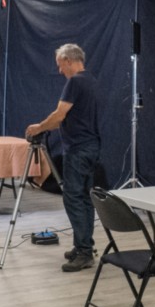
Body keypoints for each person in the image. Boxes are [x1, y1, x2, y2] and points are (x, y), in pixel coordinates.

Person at [26, 43, 101, 272]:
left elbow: (59, 115)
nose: (60, 70)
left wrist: (38, 128)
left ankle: (84, 252)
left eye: (60, 65)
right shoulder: (91, 80)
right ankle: (83, 245)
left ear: (69, 60)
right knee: (85, 199)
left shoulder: (75, 82)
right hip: (91, 146)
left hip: (78, 149)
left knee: (73, 198)